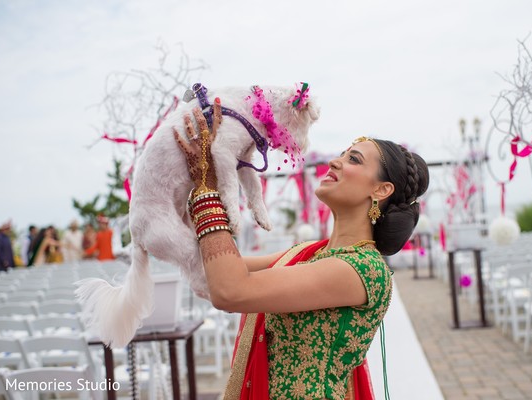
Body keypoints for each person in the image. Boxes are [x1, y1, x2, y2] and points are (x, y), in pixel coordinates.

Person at [172, 100, 429, 399]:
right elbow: (216, 270)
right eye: (343, 154)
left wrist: (207, 190)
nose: (336, 161)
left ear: (381, 190)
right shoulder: (311, 253)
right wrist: (192, 180)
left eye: (354, 160)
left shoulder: (362, 269)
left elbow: (231, 290)